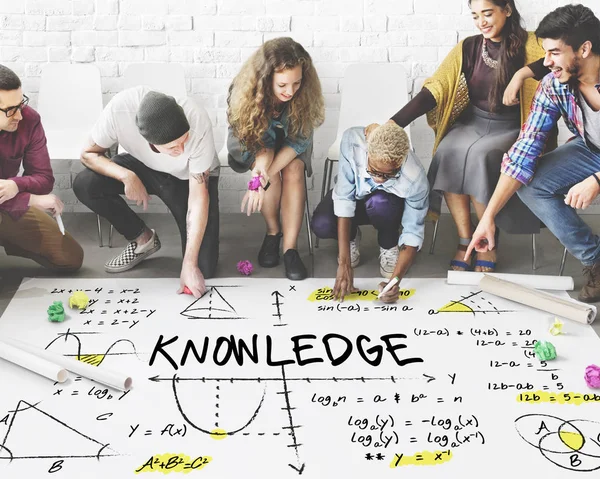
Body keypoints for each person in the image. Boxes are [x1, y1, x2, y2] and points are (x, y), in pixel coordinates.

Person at [381, 0, 555, 273]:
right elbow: (435, 88)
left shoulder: (533, 42)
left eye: (487, 13)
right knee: (447, 150)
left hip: (514, 126)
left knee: (479, 155)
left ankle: (487, 239)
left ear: (507, 10)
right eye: (475, 16)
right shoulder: (469, 47)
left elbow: (559, 58)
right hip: (473, 122)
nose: (481, 22)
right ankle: (465, 238)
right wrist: (394, 123)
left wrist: (522, 73)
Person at [466, 4, 600, 303]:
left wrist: (597, 180)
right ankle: (596, 260)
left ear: (584, 49)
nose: (546, 62)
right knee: (532, 184)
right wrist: (487, 218)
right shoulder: (554, 86)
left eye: (554, 52)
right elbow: (525, 148)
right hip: (591, 148)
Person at [73, 86, 220, 298]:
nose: (180, 149)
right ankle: (143, 238)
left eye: (184, 140)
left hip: (188, 177)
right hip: (142, 166)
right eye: (172, 147)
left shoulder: (197, 120)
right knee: (85, 183)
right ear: (150, 143)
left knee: (203, 267)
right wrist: (126, 176)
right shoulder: (119, 110)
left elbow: (198, 198)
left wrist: (189, 264)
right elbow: (87, 154)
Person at [226, 37, 325, 280]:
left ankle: (290, 248)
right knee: (269, 173)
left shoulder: (305, 95)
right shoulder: (243, 92)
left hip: (292, 142)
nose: (290, 91)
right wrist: (262, 170)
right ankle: (273, 232)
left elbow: (299, 141)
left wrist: (263, 177)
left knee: (293, 170)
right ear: (265, 78)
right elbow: (260, 145)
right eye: (282, 85)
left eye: (297, 83)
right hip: (252, 142)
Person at [311, 122, 429, 302]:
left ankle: (389, 243)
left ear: (401, 161)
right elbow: (344, 198)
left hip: (387, 208)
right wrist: (344, 263)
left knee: (380, 201)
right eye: (373, 170)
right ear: (368, 152)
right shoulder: (352, 141)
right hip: (356, 200)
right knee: (322, 224)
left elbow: (413, 232)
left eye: (389, 175)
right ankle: (351, 237)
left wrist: (394, 282)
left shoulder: (415, 179)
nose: (379, 179)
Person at [0, 64, 83, 272]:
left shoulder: (29, 119)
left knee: (71, 257)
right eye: (10, 110)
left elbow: (44, 178)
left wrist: (15, 186)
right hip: (13, 202)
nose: (19, 115)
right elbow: (35, 194)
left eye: (21, 104)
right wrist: (31, 199)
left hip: (9, 204)